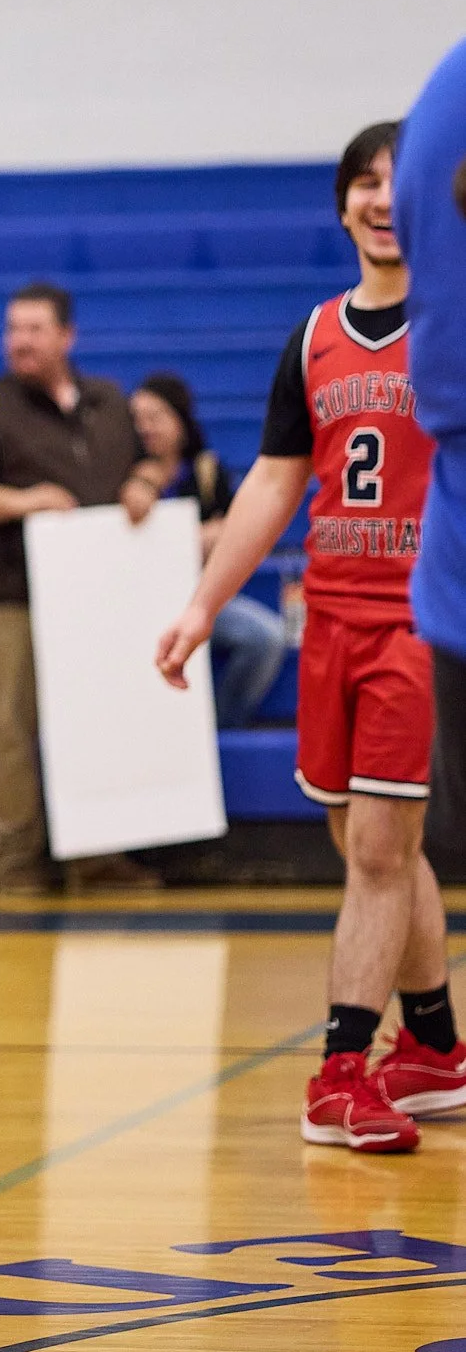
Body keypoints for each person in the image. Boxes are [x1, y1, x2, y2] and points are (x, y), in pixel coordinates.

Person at [157, 121, 465, 1153]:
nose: (381, 199)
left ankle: (338, 1073)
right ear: (341, 205)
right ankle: (433, 1047)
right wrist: (202, 604)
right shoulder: (314, 335)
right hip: (329, 619)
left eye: (398, 182)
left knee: (379, 848)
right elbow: (274, 480)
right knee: (370, 845)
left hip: (417, 623)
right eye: (362, 183)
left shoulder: (456, 320)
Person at [0, 283, 167, 892]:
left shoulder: (109, 400)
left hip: (95, 595)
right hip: (13, 592)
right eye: (13, 329)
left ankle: (97, 858)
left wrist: (147, 481)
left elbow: (163, 453)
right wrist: (26, 502)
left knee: (96, 719)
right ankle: (15, 865)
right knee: (12, 729)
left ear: (66, 336)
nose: (19, 341)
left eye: (34, 329)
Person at [393, 38, 466, 879]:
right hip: (415, 602)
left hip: (438, 593)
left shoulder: (445, 90)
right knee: (381, 848)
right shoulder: (316, 338)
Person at [130, 372, 288, 728]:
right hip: (138, 601)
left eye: (155, 417)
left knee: (266, 637)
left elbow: (234, 528)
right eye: (137, 419)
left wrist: (192, 537)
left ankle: (218, 723)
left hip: (196, 594)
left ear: (179, 420)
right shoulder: (121, 472)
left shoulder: (206, 471)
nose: (145, 428)